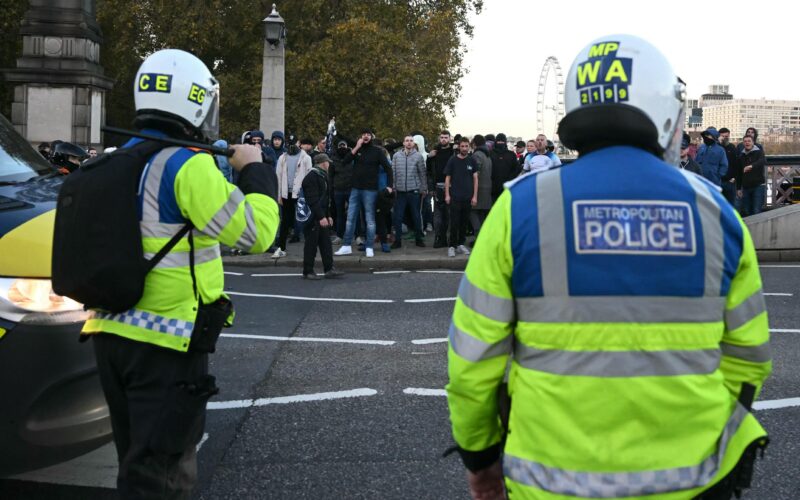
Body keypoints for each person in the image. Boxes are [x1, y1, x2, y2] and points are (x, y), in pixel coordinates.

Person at [447, 35, 771, 500]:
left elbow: (472, 362)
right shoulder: (715, 212)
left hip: (549, 483)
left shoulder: (520, 206)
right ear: (663, 110)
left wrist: (480, 461)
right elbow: (749, 359)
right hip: (694, 480)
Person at [82, 49, 279, 499]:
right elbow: (257, 233)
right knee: (164, 475)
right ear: (193, 102)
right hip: (167, 341)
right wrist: (256, 170)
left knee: (134, 461)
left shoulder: (113, 161)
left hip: (108, 333)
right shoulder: (185, 165)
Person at [334, 128, 393, 258]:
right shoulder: (357, 149)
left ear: (371, 137)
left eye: (368, 135)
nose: (366, 136)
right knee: (350, 218)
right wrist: (356, 147)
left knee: (370, 219)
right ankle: (346, 246)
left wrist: (390, 186)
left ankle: (369, 246)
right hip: (355, 189)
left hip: (370, 190)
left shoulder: (377, 151)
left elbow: (389, 168)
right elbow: (345, 161)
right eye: (363, 134)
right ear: (361, 137)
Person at [301, 153, 344, 279]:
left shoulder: (322, 175)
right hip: (313, 217)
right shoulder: (311, 177)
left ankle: (329, 269)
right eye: (328, 162)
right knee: (311, 245)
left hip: (322, 215)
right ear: (323, 163)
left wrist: (328, 215)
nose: (329, 164)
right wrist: (321, 217)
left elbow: (326, 198)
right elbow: (312, 200)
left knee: (326, 244)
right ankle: (308, 271)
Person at [274, 141, 312, 257]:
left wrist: (307, 194)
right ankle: (281, 248)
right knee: (285, 221)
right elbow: (278, 176)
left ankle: (310, 249)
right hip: (286, 193)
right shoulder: (282, 158)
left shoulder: (306, 158)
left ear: (299, 144)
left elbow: (309, 176)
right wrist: (279, 195)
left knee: (306, 219)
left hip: (300, 193)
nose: (292, 146)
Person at [391, 135, 427, 248]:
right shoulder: (396, 156)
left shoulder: (418, 156)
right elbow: (393, 172)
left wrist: (423, 188)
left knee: (416, 216)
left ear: (414, 143)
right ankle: (397, 241)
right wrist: (393, 186)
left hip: (414, 191)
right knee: (398, 217)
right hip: (400, 191)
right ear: (403, 143)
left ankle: (418, 239)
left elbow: (422, 173)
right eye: (407, 141)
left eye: (411, 141)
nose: (409, 143)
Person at [444, 136, 478, 257]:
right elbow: (447, 179)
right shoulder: (452, 160)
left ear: (469, 147)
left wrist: (475, 196)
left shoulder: (472, 161)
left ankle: (460, 244)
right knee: (454, 223)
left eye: (466, 146)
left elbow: (475, 179)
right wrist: (447, 194)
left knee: (464, 223)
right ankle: (452, 246)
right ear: (459, 147)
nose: (464, 148)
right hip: (455, 197)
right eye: (462, 146)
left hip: (467, 197)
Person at [427, 130, 455, 248]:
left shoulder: (454, 152)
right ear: (439, 138)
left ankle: (449, 239)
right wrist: (429, 157)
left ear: (449, 138)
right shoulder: (435, 152)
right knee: (438, 215)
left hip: (452, 187)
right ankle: (439, 238)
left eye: (446, 137)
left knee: (449, 215)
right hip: (437, 186)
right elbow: (428, 170)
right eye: (442, 137)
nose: (443, 139)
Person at [469, 134, 492, 241]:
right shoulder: (487, 155)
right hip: (488, 188)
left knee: (472, 212)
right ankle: (483, 238)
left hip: (478, 188)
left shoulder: (477, 155)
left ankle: (478, 237)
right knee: (482, 214)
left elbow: (475, 173)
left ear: (475, 143)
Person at [737, 135, 767, 217]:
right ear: (743, 143)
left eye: (749, 141)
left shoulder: (759, 152)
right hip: (746, 187)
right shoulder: (741, 155)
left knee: (756, 210)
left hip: (758, 186)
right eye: (745, 141)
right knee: (746, 210)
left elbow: (762, 161)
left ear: (753, 142)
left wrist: (751, 166)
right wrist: (738, 188)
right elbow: (739, 173)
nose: (747, 143)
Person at [718, 127, 739, 205]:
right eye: (722, 136)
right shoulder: (716, 147)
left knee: (730, 205)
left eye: (726, 136)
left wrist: (734, 177)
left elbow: (736, 164)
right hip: (718, 181)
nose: (724, 138)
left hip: (730, 182)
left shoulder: (732, 147)